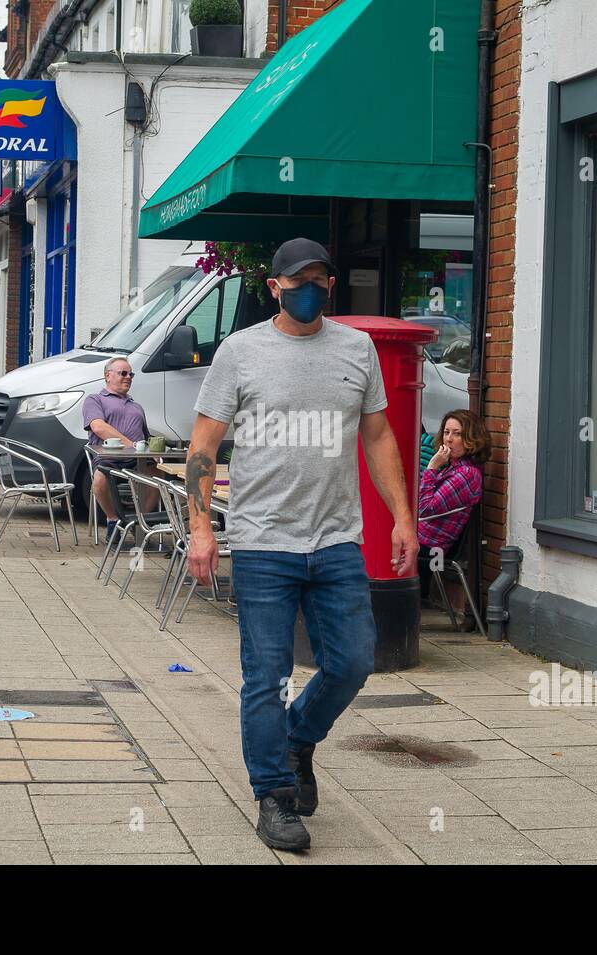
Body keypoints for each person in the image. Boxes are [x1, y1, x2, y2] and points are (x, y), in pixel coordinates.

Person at [187, 237, 417, 852]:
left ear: (332, 285)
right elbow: (203, 449)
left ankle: (297, 740)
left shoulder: (357, 349)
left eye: (320, 278)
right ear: (275, 287)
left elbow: (378, 439)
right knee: (266, 674)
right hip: (263, 541)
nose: (310, 288)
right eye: (298, 280)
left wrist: (402, 518)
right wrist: (202, 528)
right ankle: (275, 795)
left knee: (353, 662)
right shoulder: (241, 352)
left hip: (337, 539)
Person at [416, 410, 490, 621]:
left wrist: (431, 467)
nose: (449, 438)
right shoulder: (453, 468)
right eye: (447, 432)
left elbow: (425, 508)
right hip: (422, 536)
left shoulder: (466, 474)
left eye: (457, 433)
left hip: (431, 545)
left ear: (471, 439)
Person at [83, 357, 163, 537]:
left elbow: (145, 437)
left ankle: (137, 522)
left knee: (159, 478)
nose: (128, 377)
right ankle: (113, 519)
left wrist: (154, 451)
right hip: (108, 458)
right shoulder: (95, 400)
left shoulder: (137, 407)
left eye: (131, 374)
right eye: (123, 373)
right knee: (99, 481)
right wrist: (131, 445)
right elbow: (98, 427)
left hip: (138, 460)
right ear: (107, 376)